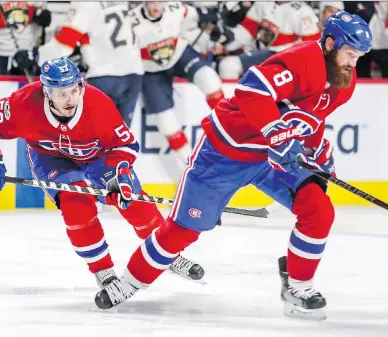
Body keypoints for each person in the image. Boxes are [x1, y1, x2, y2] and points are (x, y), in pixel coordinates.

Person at [94, 11, 372, 321]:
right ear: (330, 44)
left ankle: (298, 285)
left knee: (318, 208)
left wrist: (317, 151)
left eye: (359, 56)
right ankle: (128, 283)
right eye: (350, 53)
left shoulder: (343, 80)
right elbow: (251, 90)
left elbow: (313, 117)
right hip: (224, 153)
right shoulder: (304, 59)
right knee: (183, 231)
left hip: (271, 159)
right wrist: (274, 132)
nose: (353, 62)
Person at [0, 57, 205, 291]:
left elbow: (124, 146)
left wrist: (117, 176)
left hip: (99, 157)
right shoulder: (24, 103)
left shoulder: (97, 104)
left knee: (133, 201)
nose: (70, 99)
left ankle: (168, 255)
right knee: (76, 205)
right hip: (52, 160)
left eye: (74, 90)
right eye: (61, 94)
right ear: (47, 92)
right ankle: (103, 270)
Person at [13, 1, 143, 126]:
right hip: (134, 73)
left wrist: (35, 55)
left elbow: (64, 44)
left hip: (104, 75)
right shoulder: (124, 2)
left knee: (95, 135)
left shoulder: (85, 5)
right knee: (121, 137)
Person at [130, 1, 225, 163]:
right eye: (153, 2)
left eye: (161, 2)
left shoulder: (174, 8)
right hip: (150, 70)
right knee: (166, 123)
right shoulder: (131, 20)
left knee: (210, 79)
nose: (157, 7)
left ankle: (229, 129)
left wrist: (218, 27)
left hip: (179, 54)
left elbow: (200, 15)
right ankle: (193, 164)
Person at [218, 1, 320, 79]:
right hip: (260, 53)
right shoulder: (263, 3)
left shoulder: (303, 11)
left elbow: (313, 47)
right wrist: (227, 39)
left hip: (284, 59)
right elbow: (247, 31)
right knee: (227, 66)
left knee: (228, 65)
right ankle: (234, 104)